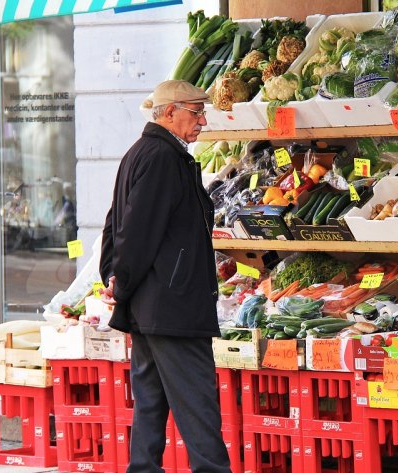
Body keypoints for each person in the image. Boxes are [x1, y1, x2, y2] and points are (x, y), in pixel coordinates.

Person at [99, 80, 230, 473]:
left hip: (152, 304)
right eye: (195, 112)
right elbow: (134, 231)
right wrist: (118, 279)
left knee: (151, 403)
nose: (203, 120)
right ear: (169, 113)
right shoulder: (162, 158)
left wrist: (115, 278)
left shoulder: (143, 153)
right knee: (198, 404)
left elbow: (115, 223)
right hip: (172, 306)